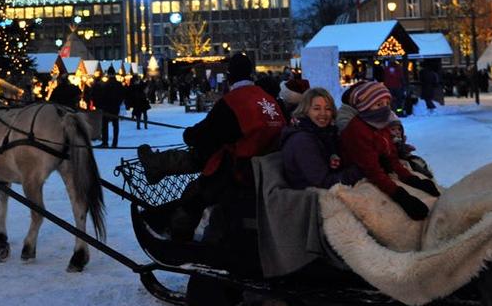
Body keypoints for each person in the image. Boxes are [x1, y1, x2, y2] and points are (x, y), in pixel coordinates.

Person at [136, 53, 285, 240]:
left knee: (193, 195)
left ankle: (179, 238)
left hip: (239, 172)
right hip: (265, 167)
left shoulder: (232, 102)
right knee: (205, 158)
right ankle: (159, 166)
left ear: (230, 75)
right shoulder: (268, 99)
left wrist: (189, 134)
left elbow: (204, 135)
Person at [339, 81, 439, 220]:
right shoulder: (358, 130)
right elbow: (372, 170)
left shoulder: (380, 123)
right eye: (379, 104)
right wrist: (401, 196)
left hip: (380, 170)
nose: (385, 109)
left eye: (387, 104)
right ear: (365, 107)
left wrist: (412, 179)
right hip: (357, 177)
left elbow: (391, 155)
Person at [280, 88, 363, 189]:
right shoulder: (302, 141)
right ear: (305, 110)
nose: (323, 113)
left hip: (329, 188)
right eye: (316, 108)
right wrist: (361, 170)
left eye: (327, 109)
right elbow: (324, 182)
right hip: (310, 197)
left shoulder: (327, 134)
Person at [92, 67, 125, 147]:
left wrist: (101, 105)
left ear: (108, 74)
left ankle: (105, 142)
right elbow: (122, 95)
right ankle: (115, 143)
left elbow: (101, 96)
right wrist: (118, 103)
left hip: (106, 107)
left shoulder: (105, 84)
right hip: (115, 107)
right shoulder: (118, 84)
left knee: (105, 125)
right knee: (115, 125)